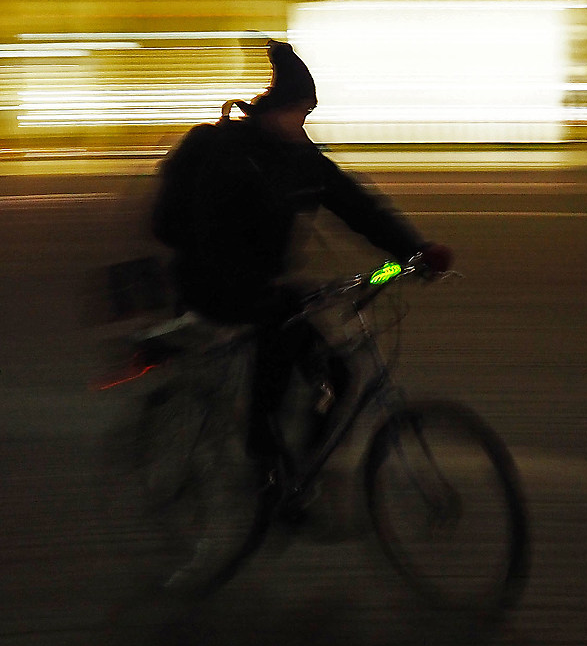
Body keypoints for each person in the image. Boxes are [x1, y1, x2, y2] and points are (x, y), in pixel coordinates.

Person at [150, 40, 452, 486]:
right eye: (300, 112)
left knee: (337, 371)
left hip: (262, 288)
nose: (304, 123)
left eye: (308, 114)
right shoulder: (231, 153)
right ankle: (264, 453)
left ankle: (302, 474)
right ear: (276, 108)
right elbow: (205, 230)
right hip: (207, 281)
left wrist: (414, 252)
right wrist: (252, 283)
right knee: (281, 327)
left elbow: (357, 206)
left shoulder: (298, 158)